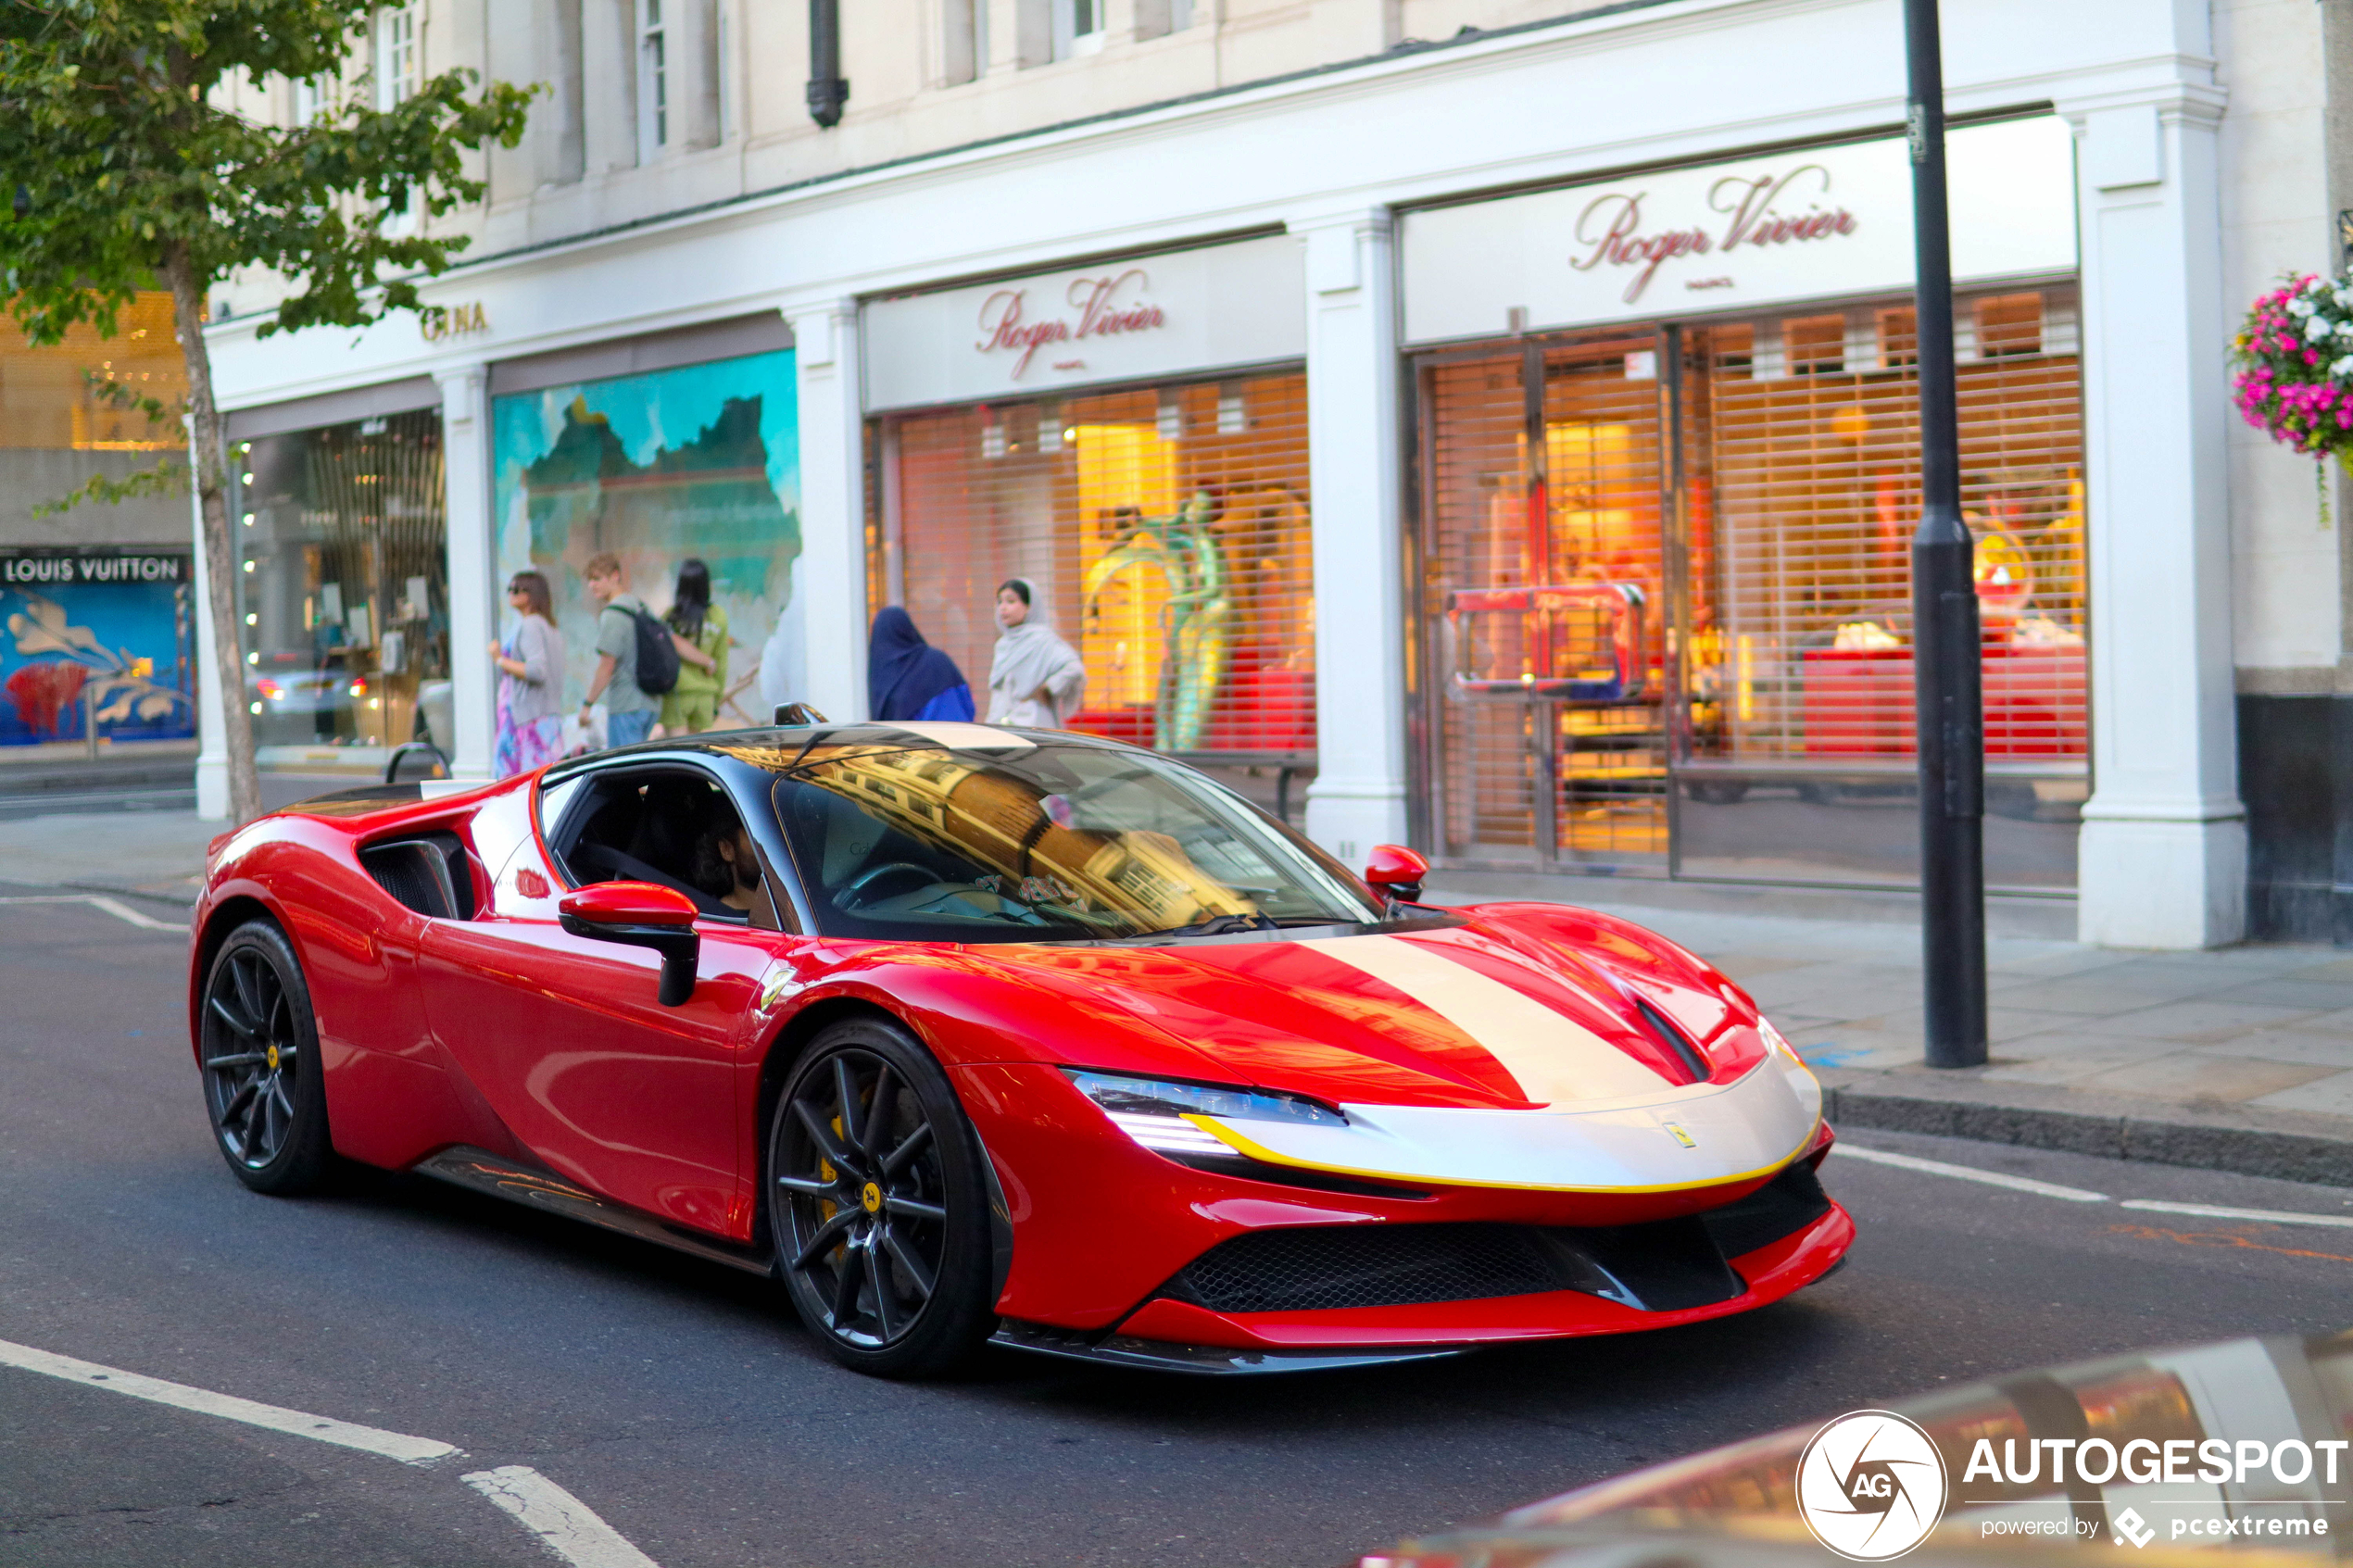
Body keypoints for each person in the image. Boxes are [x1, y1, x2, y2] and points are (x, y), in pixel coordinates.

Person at [488, 571, 566, 778]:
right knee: (546, 783)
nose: (511, 594)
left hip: (529, 721)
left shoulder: (531, 624)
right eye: (509, 589)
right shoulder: (550, 627)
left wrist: (499, 659)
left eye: (516, 589)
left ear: (531, 594)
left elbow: (536, 671)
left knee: (521, 787)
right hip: (545, 718)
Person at [579, 553, 660, 749]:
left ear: (615, 576)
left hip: (626, 704)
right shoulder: (639, 606)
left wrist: (587, 705)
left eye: (597, 578)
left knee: (628, 771)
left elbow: (607, 666)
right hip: (650, 702)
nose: (592, 585)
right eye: (589, 580)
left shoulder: (613, 614)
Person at [985, 577, 1084, 728]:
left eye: (1011, 601)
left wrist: (1048, 688)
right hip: (1003, 724)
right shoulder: (1003, 644)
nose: (1003, 608)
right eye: (1000, 602)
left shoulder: (1042, 640)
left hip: (1033, 723)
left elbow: (1074, 668)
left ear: (1029, 606)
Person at [868, 606, 975, 722]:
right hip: (953, 736)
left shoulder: (880, 677)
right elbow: (966, 704)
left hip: (912, 739)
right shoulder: (936, 660)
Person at [661, 558, 731, 734]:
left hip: (676, 694)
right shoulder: (718, 616)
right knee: (695, 753)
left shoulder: (670, 618)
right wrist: (717, 698)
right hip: (705, 694)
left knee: (676, 754)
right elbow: (721, 662)